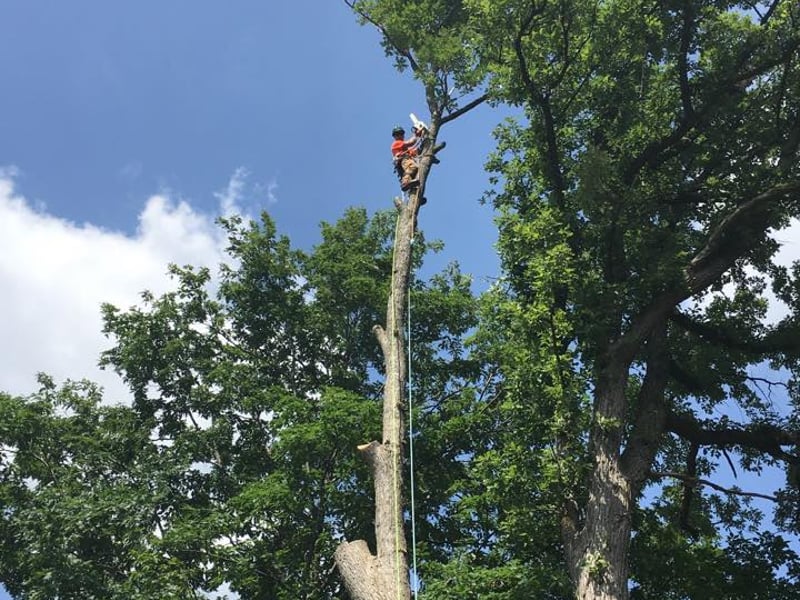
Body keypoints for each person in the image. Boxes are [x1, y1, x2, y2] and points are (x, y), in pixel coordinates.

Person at [390, 125, 419, 191]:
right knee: (413, 167)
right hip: (403, 160)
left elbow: (414, 152)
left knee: (415, 173)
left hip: (406, 161)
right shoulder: (396, 143)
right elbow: (411, 142)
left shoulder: (405, 149)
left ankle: (414, 191)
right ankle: (405, 183)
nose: (400, 135)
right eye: (398, 134)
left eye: (401, 134)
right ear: (395, 136)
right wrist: (415, 135)